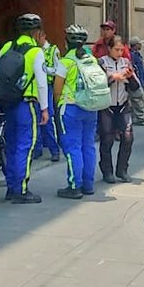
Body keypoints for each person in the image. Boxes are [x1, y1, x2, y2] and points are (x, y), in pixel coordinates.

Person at [0, 13, 49, 204]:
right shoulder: (36, 52)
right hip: (27, 105)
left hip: (9, 104)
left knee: (11, 145)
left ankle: (11, 187)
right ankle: (21, 190)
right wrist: (45, 108)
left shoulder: (8, 46)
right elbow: (42, 84)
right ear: (37, 32)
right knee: (25, 146)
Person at [53, 24, 98, 199]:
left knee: (73, 147)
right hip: (90, 108)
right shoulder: (91, 59)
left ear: (67, 42)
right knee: (88, 146)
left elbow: (57, 89)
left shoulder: (66, 62)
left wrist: (57, 106)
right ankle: (88, 184)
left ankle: (74, 186)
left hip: (71, 108)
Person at [98, 36, 137, 183]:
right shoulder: (101, 62)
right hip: (107, 106)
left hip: (123, 104)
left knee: (128, 137)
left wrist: (130, 76)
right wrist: (113, 77)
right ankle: (107, 171)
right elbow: (98, 84)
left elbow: (135, 86)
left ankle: (122, 169)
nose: (119, 53)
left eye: (122, 50)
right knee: (107, 139)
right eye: (116, 49)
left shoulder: (126, 62)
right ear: (109, 48)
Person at [33, 29, 61, 163]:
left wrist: (45, 70)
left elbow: (58, 69)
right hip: (35, 87)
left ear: (43, 36)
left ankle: (54, 150)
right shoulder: (33, 50)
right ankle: (37, 149)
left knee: (47, 118)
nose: (35, 39)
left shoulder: (53, 50)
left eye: (37, 36)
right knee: (36, 117)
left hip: (48, 86)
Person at [128, 36, 144, 126]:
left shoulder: (137, 54)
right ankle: (141, 118)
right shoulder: (132, 55)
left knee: (142, 99)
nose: (141, 45)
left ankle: (143, 116)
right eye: (139, 44)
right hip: (136, 80)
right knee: (137, 99)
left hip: (141, 79)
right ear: (135, 45)